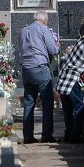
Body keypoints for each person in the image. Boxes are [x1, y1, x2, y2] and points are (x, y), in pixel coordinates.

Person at [18, 11, 59, 144]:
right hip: (40, 68)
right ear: (45, 20)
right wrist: (57, 46)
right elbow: (53, 50)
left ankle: (28, 136)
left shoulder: (23, 30)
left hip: (26, 69)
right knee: (47, 103)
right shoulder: (43, 28)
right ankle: (47, 135)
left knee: (29, 102)